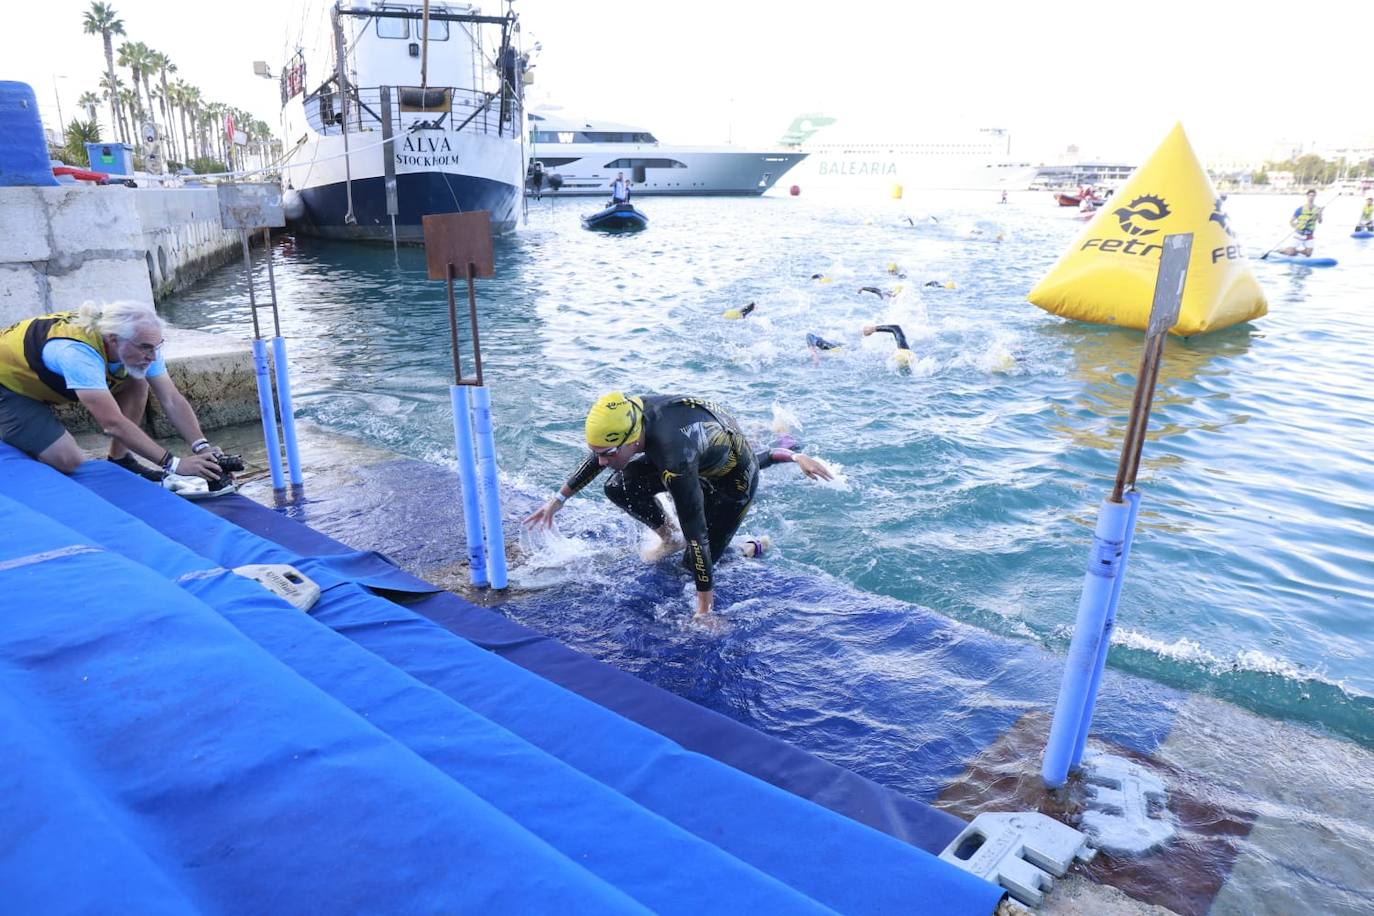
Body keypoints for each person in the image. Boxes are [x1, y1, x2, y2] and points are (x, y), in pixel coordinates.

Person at [525, 393, 833, 620]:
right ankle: (669, 537)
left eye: (607, 454)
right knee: (618, 485)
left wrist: (704, 611)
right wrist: (558, 500)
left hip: (733, 487)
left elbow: (696, 530)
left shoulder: (675, 459)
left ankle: (748, 547)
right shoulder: (630, 413)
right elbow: (603, 451)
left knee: (692, 562)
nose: (602, 462)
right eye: (598, 454)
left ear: (633, 440)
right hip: (710, 455)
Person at [0, 301, 223, 483]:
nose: (153, 356)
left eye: (157, 347)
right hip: (8, 384)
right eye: (146, 348)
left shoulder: (140, 341)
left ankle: (120, 458)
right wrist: (174, 464)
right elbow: (112, 423)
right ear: (114, 340)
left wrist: (201, 447)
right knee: (68, 460)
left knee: (138, 380)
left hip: (40, 377)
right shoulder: (77, 353)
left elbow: (171, 399)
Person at [1280, 189, 1323, 257]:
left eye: (1313, 196)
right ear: (1307, 196)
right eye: (1310, 195)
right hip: (1299, 233)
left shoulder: (1317, 209)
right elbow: (1291, 221)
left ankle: (1296, 251)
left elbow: (1320, 221)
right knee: (1291, 253)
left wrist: (1320, 214)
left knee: (1309, 254)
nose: (1311, 197)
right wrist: (1295, 227)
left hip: (1309, 234)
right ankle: (1282, 250)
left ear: (1315, 197)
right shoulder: (1300, 209)